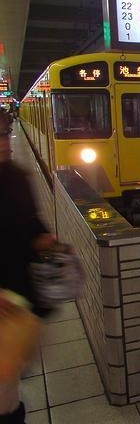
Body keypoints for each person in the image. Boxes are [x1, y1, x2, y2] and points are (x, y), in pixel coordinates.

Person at [0, 113, 56, 423]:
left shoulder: (17, 177)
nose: (5, 141)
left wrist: (44, 239)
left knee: (9, 388)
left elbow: (31, 223)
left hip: (18, 303)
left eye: (5, 132)